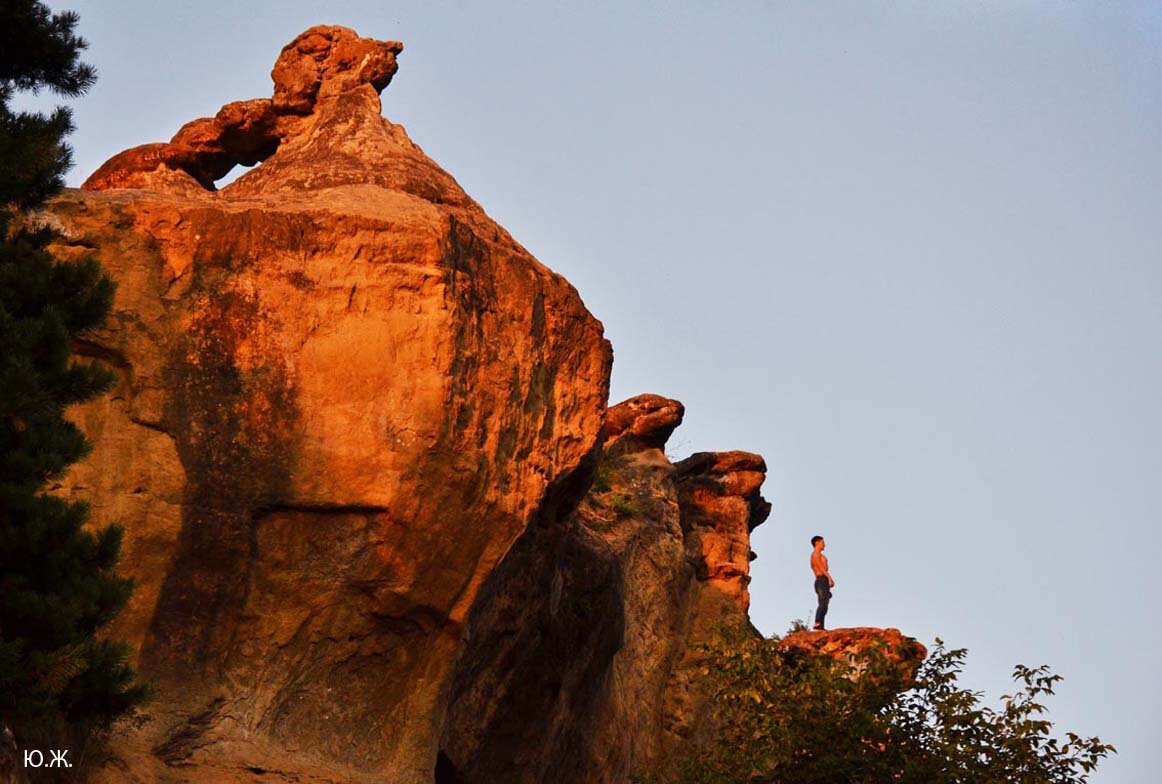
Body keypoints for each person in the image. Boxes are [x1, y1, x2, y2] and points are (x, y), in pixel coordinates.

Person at [810, 535, 834, 630]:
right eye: (822, 542)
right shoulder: (815, 554)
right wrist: (830, 578)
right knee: (823, 602)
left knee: (824, 602)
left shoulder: (820, 554)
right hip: (821, 580)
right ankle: (817, 622)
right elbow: (821, 567)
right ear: (817, 543)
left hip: (822, 581)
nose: (824, 545)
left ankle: (821, 626)